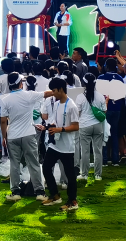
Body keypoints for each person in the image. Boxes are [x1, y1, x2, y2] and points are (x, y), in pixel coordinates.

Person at [1, 73, 52, 201]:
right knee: (33, 163)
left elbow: (3, 121)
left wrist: (4, 137)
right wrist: (60, 89)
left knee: (14, 164)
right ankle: (39, 192)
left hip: (12, 135)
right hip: (28, 134)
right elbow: (46, 94)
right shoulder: (29, 95)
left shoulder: (5, 99)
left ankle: (15, 192)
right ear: (20, 83)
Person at [41, 77, 81, 211]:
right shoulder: (57, 104)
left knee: (70, 175)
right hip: (55, 144)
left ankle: (72, 201)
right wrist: (46, 127)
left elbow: (76, 126)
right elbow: (55, 122)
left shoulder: (72, 106)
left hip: (67, 147)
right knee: (46, 168)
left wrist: (60, 129)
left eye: (54, 90)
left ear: (61, 89)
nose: (52, 93)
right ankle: (55, 195)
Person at [75, 72, 106, 182]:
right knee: (98, 151)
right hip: (98, 125)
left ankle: (84, 174)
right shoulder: (100, 96)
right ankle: (98, 175)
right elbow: (104, 111)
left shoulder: (80, 97)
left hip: (84, 126)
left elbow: (77, 113)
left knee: (85, 151)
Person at [99, 57, 126, 166]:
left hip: (106, 109)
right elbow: (123, 96)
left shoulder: (101, 77)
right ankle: (115, 159)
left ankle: (104, 159)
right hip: (117, 109)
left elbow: (99, 95)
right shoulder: (120, 78)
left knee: (104, 134)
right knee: (114, 134)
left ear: (106, 67)